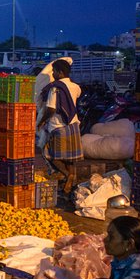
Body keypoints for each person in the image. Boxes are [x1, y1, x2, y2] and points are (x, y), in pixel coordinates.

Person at [36, 59, 83, 194]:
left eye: (55, 72)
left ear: (60, 72)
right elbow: (76, 97)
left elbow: (50, 109)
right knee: (70, 157)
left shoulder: (55, 88)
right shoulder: (75, 87)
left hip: (58, 126)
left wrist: (41, 121)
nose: (54, 74)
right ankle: (71, 181)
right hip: (73, 124)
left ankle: (68, 175)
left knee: (50, 154)